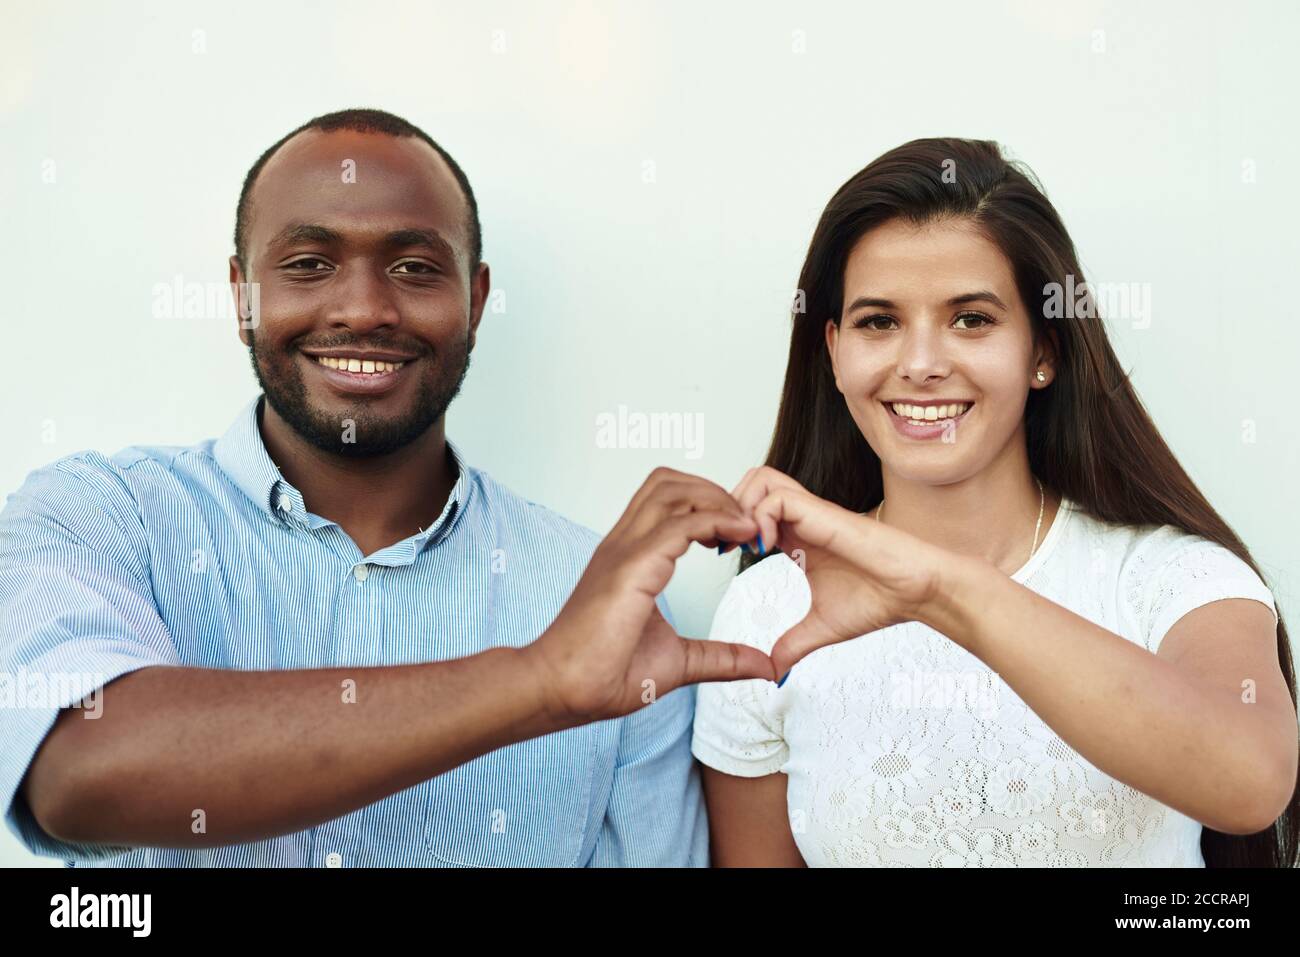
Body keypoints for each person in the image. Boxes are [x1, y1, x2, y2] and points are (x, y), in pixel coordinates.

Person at [0, 108, 775, 867]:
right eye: (308, 264)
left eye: (414, 267)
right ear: (243, 295)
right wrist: (540, 679)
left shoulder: (609, 599)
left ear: (475, 299)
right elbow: (73, 773)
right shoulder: (97, 516)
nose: (365, 308)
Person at [692, 137, 1299, 867]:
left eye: (971, 319)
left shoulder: (1175, 579)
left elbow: (1250, 779)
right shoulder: (768, 615)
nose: (919, 364)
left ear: (1042, 351)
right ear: (834, 351)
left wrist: (937, 585)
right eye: (878, 321)